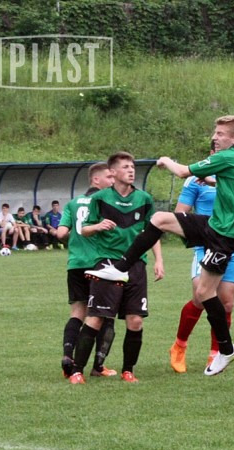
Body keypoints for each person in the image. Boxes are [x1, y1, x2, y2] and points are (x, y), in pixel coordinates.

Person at [86, 116, 234, 377]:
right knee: (159, 219)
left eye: (220, 133)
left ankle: (226, 348)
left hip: (224, 235)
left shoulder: (228, 156)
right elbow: (233, 183)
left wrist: (166, 161)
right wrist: (212, 182)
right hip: (216, 226)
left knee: (206, 292)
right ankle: (120, 268)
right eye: (215, 132)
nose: (215, 137)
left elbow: (183, 171)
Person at [67, 151, 165, 384]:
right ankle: (77, 370)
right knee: (96, 318)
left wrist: (159, 260)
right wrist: (98, 226)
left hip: (136, 264)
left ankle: (128, 370)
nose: (131, 170)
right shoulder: (100, 198)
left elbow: (152, 232)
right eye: (125, 167)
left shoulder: (144, 199)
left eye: (132, 167)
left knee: (136, 320)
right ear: (112, 172)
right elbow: (84, 230)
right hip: (107, 262)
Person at [169, 141, 234, 374]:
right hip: (207, 241)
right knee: (200, 297)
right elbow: (180, 213)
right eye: (219, 152)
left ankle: (217, 352)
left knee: (227, 301)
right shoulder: (195, 181)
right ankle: (180, 345)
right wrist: (194, 230)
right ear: (212, 155)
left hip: (232, 245)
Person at [56, 163, 118, 379]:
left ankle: (68, 356)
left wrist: (75, 239)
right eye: (109, 177)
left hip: (75, 263)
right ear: (95, 180)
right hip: (99, 264)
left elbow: (60, 233)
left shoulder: (72, 204)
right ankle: (98, 366)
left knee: (77, 313)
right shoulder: (105, 202)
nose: (113, 181)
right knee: (105, 315)